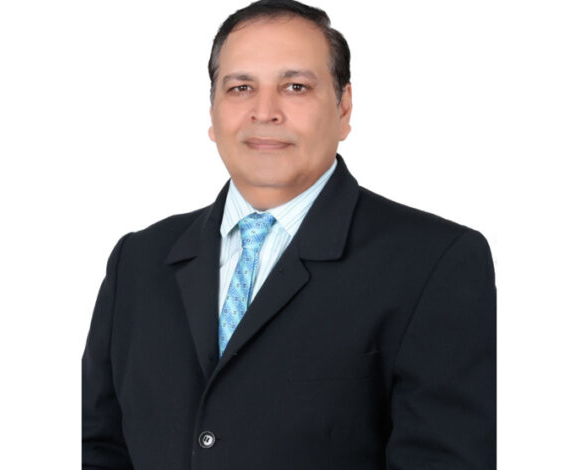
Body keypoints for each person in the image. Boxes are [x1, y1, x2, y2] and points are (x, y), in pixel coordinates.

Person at [82, 1, 496, 468]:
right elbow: (98, 448)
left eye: (295, 87)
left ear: (343, 107)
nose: (265, 112)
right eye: (240, 88)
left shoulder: (435, 263)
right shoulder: (138, 260)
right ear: (213, 112)